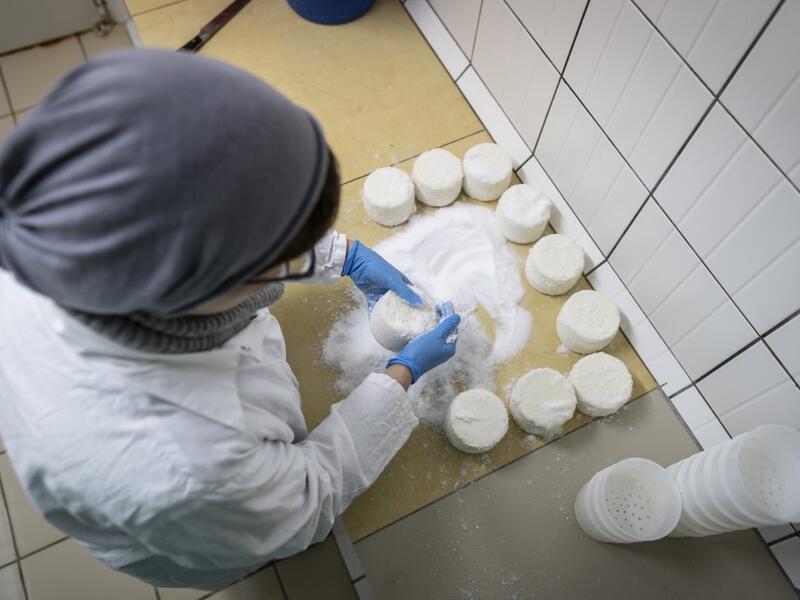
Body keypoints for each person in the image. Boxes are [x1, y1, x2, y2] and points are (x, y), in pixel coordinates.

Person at [0, 49, 461, 590]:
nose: (290, 259)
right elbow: (309, 500)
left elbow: (208, 203)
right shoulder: (190, 465)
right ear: (199, 284)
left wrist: (342, 255)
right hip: (202, 530)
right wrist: (399, 375)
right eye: (278, 254)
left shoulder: (73, 230)